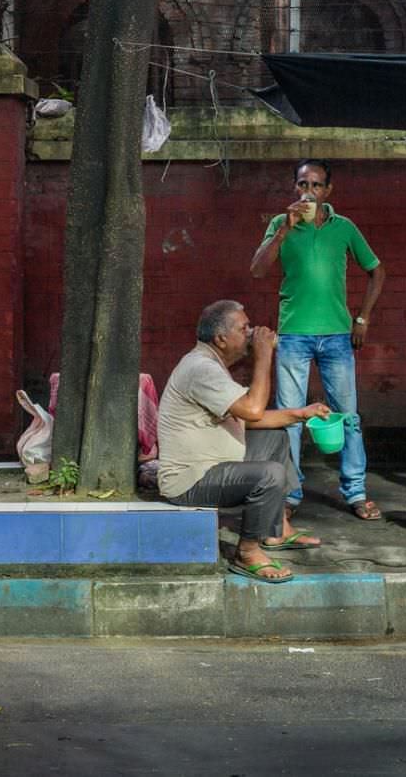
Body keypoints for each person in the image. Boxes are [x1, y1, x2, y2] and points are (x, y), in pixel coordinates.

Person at [248, 159, 386, 520]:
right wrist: (283, 232)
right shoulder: (282, 224)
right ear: (295, 187)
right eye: (302, 184)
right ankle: (289, 495)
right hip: (293, 335)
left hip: (338, 336)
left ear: (328, 191)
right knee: (290, 418)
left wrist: (363, 318)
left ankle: (355, 491)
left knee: (348, 416)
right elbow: (258, 270)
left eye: (315, 185)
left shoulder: (345, 228)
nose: (307, 192)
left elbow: (376, 271)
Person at [157, 299, 331, 583]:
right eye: (244, 328)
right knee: (269, 474)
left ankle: (277, 530)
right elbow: (252, 409)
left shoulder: (211, 363)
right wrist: (264, 356)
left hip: (216, 465)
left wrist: (300, 414)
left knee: (275, 438)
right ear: (221, 339)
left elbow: (247, 417)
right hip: (190, 481)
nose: (252, 333)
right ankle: (247, 553)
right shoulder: (201, 368)